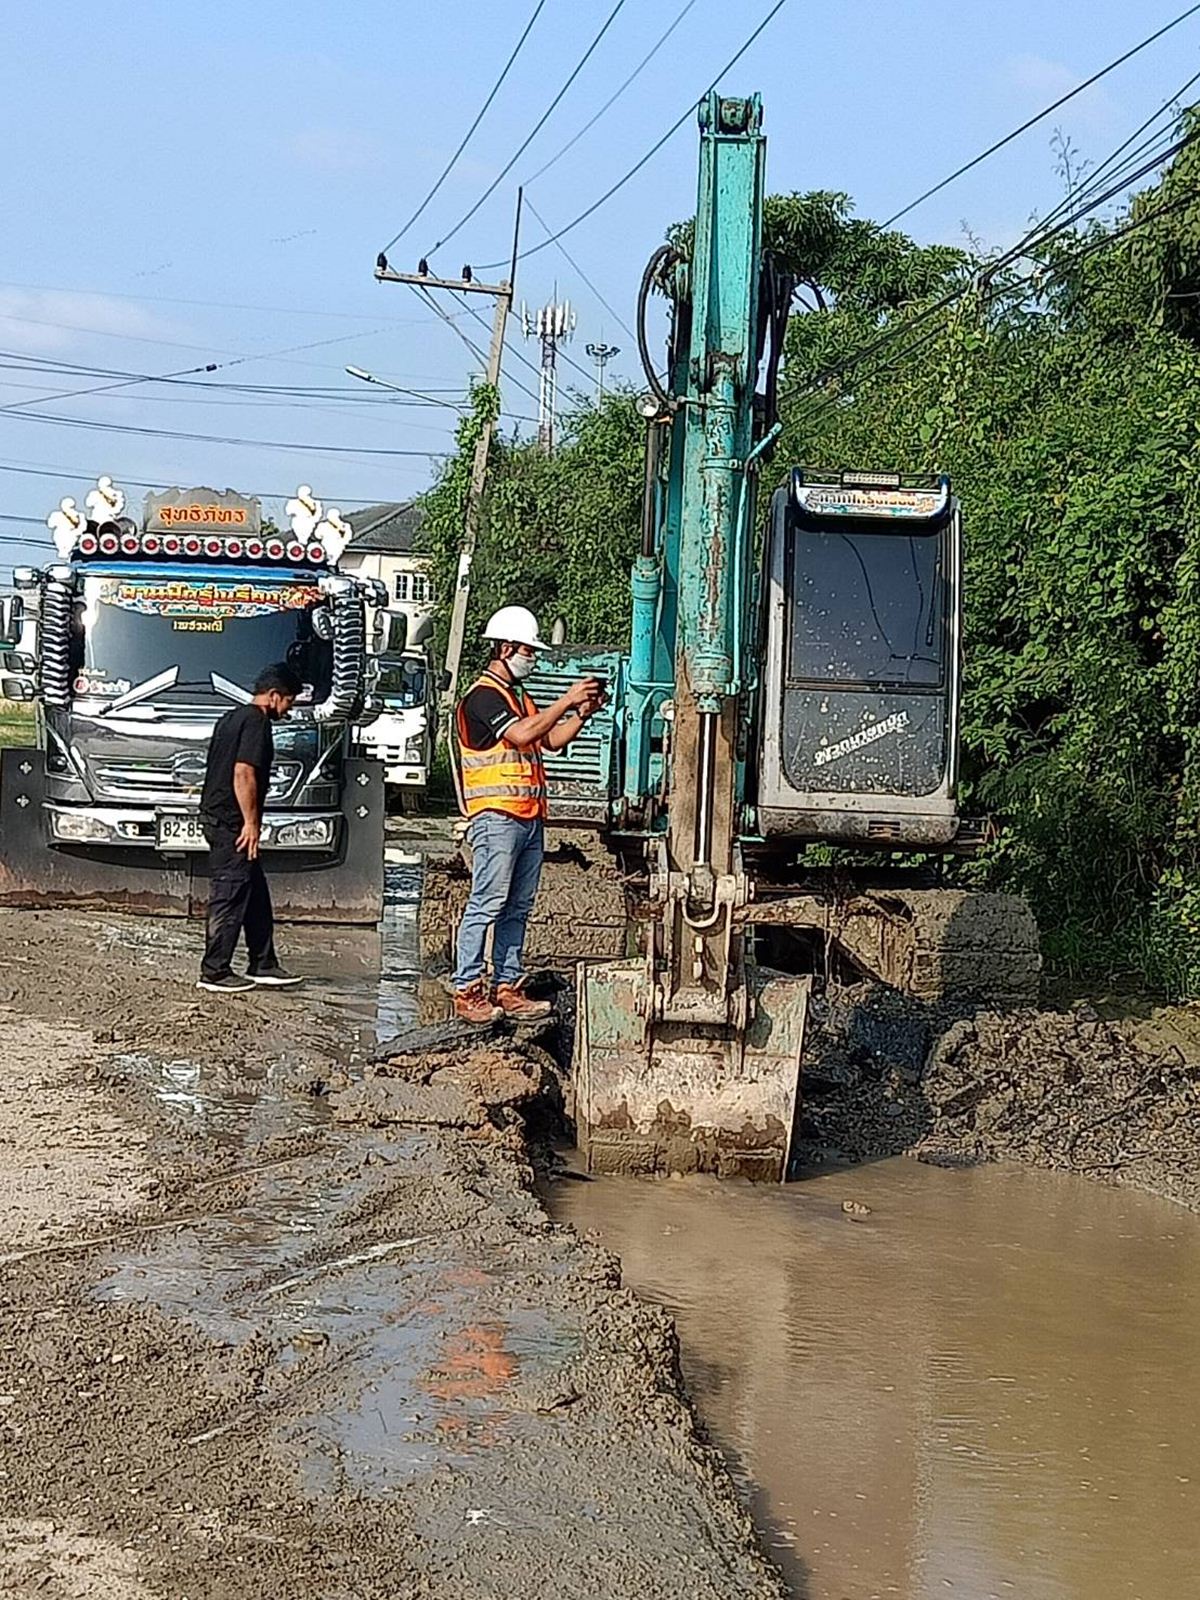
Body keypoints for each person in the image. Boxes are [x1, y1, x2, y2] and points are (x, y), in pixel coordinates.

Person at [453, 605, 602, 1024]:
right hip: (497, 819)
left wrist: (580, 714)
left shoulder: (518, 698)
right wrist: (566, 698)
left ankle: (508, 986)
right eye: (526, 651)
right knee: (487, 903)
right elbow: (521, 734)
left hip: (529, 818)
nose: (531, 659)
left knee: (517, 906)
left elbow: (549, 740)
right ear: (504, 648)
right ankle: (467, 989)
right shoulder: (481, 697)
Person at [197, 662, 304, 993]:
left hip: (220, 817)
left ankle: (263, 962)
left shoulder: (232, 717)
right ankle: (214, 971)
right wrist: (251, 823)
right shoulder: (257, 722)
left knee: (255, 894)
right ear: (274, 696)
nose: (288, 710)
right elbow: (243, 772)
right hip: (232, 824)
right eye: (289, 702)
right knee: (230, 894)